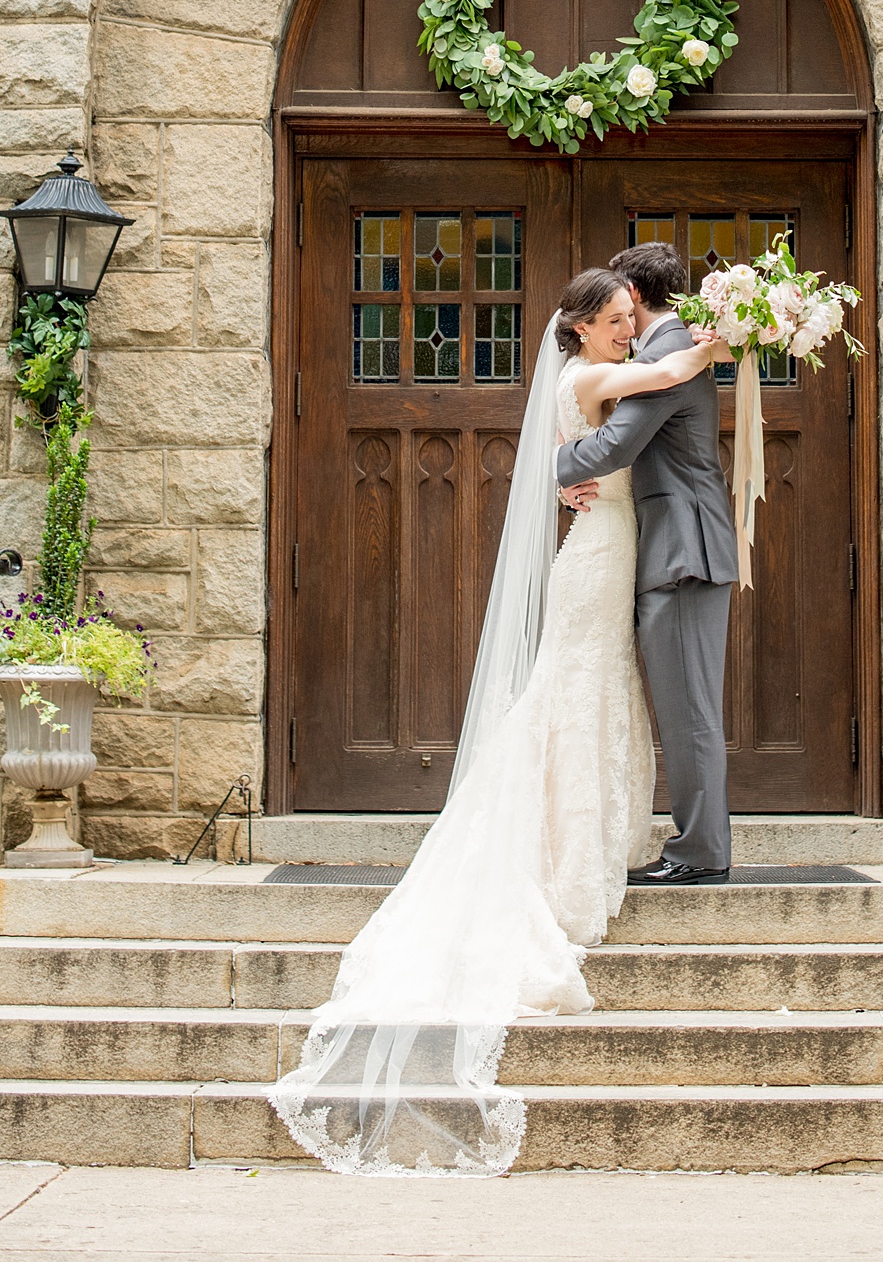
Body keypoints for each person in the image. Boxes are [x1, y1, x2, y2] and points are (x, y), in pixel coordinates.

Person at [269, 268, 720, 1175]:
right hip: (599, 555)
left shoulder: (586, 376)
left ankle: (589, 832)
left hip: (614, 540)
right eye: (619, 320)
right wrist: (721, 336)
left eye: (638, 318)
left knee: (592, 695)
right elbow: (665, 384)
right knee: (577, 690)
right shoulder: (586, 379)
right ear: (584, 327)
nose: (634, 331)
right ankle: (563, 849)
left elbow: (633, 414)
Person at [557, 240, 738, 883]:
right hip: (669, 547)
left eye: (619, 306)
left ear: (631, 297)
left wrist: (545, 470)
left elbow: (615, 444)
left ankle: (699, 854)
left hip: (682, 552)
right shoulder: (668, 349)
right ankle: (699, 846)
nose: (621, 325)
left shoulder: (666, 354)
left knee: (689, 710)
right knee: (686, 704)